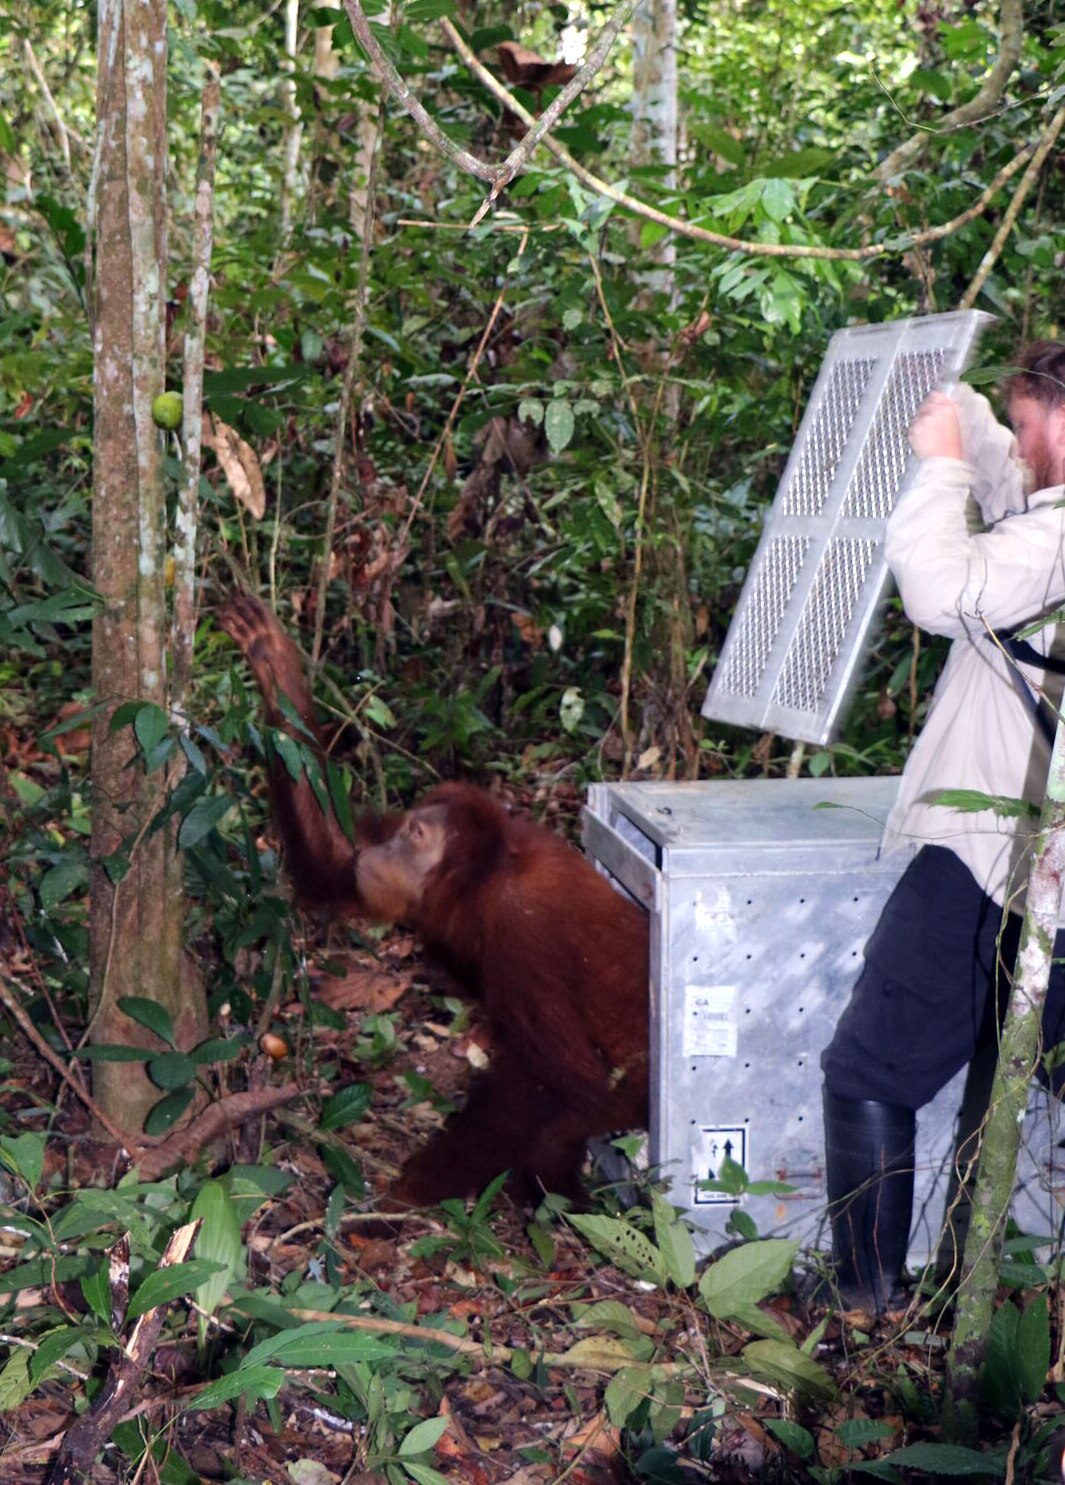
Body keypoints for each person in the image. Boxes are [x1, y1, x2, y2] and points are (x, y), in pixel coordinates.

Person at [820, 340, 1065, 1313]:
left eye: (1032, 418)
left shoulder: (1055, 539)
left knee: (870, 1069)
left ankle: (866, 1313)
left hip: (997, 848)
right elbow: (1016, 480)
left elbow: (939, 589)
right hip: (1033, 850)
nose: (1022, 439)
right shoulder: (1044, 519)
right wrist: (956, 409)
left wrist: (939, 463)